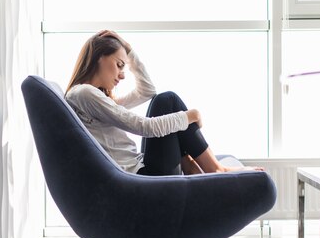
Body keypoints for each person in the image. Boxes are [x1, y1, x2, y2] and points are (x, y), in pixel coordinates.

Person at [65, 30, 263, 176]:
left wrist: (128, 50)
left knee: (163, 100)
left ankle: (196, 167)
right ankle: (214, 169)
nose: (122, 75)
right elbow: (144, 127)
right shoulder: (85, 94)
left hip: (141, 168)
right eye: (119, 65)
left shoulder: (91, 97)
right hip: (144, 175)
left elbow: (147, 91)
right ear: (99, 58)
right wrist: (191, 116)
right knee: (167, 100)